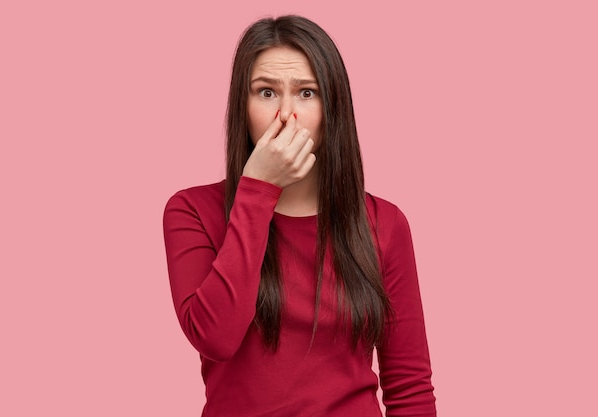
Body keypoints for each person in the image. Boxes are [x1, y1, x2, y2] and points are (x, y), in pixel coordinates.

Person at [163, 15, 436, 417]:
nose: (286, 114)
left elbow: (409, 387)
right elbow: (215, 337)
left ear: (332, 107)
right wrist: (257, 191)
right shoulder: (190, 210)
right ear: (243, 104)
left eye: (307, 93)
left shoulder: (384, 224)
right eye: (266, 92)